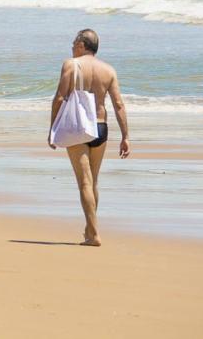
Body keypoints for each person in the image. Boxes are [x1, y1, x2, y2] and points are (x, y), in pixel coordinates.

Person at [48, 29, 131, 246]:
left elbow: (59, 97)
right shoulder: (109, 70)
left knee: (84, 182)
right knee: (93, 181)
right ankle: (89, 228)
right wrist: (126, 136)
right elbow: (119, 104)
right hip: (101, 128)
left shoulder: (71, 65)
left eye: (74, 42)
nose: (72, 46)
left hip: (78, 128)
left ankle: (94, 235)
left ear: (83, 45)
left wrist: (52, 129)